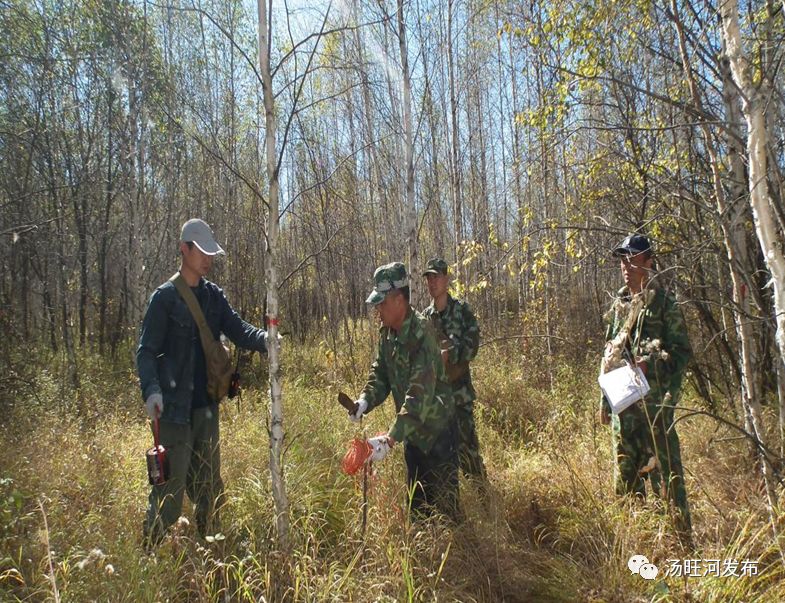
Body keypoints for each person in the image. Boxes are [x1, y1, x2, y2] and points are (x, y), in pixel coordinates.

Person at [137, 218, 272, 547]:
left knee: (209, 488)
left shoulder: (214, 297)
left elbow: (239, 329)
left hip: (206, 410)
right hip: (172, 413)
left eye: (212, 252)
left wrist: (269, 339)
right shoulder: (164, 299)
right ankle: (148, 555)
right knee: (169, 495)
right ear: (184, 249)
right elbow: (146, 352)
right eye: (202, 252)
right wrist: (152, 390)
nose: (208, 259)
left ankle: (214, 551)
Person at [348, 262, 460, 520]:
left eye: (382, 303)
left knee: (447, 512)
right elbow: (381, 372)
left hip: (438, 432)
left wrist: (390, 439)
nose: (377, 309)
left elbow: (418, 396)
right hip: (413, 435)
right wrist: (365, 400)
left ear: (399, 300)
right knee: (418, 510)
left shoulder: (423, 334)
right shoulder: (387, 333)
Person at [599, 234, 692, 540]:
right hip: (624, 413)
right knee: (626, 478)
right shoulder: (620, 305)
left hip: (655, 414)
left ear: (649, 262)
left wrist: (648, 366)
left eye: (633, 257)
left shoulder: (663, 305)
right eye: (623, 259)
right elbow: (610, 354)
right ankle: (635, 541)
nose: (626, 265)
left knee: (666, 477)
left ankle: (680, 542)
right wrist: (604, 403)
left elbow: (681, 353)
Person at [422, 257, 487, 485]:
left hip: (459, 397)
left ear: (446, 278)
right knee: (441, 461)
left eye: (436, 276)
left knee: (469, 455)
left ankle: (485, 502)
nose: (432, 282)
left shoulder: (461, 311)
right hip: (435, 402)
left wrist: (451, 353)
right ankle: (452, 511)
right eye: (428, 278)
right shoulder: (424, 318)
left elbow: (473, 346)